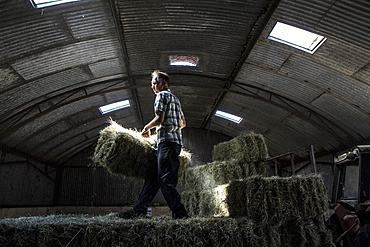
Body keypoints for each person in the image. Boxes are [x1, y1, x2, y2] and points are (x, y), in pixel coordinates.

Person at [118, 70, 188, 219]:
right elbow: (182, 123)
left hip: (167, 145)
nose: (153, 86)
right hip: (173, 143)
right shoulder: (176, 99)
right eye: (152, 84)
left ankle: (181, 214)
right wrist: (164, 132)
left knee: (165, 181)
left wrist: (146, 128)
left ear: (164, 84)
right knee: (153, 178)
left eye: (155, 83)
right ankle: (138, 210)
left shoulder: (161, 96)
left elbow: (159, 118)